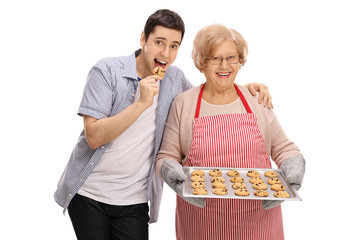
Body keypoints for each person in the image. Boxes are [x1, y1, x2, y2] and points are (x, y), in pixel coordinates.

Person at [54, 9, 272, 240]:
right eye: (159, 42)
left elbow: (207, 96)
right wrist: (141, 103)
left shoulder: (175, 80)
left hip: (135, 199)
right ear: (143, 39)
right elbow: (94, 136)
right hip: (89, 193)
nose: (166, 53)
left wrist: (244, 89)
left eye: (174, 45)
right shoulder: (106, 71)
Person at [156, 23, 305, 240]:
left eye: (231, 57)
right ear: (201, 64)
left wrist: (293, 167)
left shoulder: (256, 99)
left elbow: (284, 148)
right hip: (201, 221)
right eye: (215, 58)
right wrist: (170, 172)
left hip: (258, 222)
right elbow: (166, 155)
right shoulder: (183, 103)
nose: (224, 65)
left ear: (240, 60)